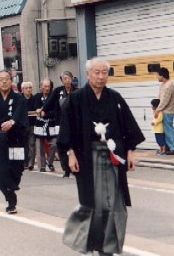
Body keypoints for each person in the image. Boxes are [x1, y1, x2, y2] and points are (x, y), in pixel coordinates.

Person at [58, 57, 145, 255]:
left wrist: (130, 152)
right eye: (96, 73)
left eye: (104, 73)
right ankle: (88, 244)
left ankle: (109, 247)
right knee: (92, 204)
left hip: (113, 158)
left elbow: (128, 128)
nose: (101, 76)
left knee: (115, 205)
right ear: (87, 74)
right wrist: (70, 154)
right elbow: (67, 129)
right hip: (87, 158)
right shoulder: (77, 99)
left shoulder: (115, 98)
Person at [0, 70, 28, 214]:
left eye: (7, 79)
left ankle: (12, 187)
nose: (4, 82)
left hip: (15, 138)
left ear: (11, 81)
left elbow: (20, 112)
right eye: (1, 79)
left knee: (16, 168)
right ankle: (10, 198)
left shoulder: (18, 98)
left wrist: (12, 121)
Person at [42, 71, 77, 177]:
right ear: (62, 80)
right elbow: (49, 102)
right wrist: (43, 110)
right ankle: (66, 169)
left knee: (74, 144)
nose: (66, 80)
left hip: (73, 122)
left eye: (68, 78)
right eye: (64, 78)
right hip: (60, 122)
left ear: (72, 79)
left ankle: (74, 167)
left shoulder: (77, 91)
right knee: (61, 145)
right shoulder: (57, 91)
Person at [32, 78, 56, 172]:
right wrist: (37, 110)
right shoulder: (37, 96)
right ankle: (42, 166)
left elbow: (56, 110)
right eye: (45, 86)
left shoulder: (53, 96)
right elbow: (33, 108)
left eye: (48, 86)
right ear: (41, 87)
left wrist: (46, 113)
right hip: (39, 123)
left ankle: (49, 162)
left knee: (54, 144)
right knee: (39, 146)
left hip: (50, 123)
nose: (47, 88)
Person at [154, 67, 174, 154]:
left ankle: (173, 148)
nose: (157, 77)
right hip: (162, 111)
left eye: (158, 76)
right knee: (164, 130)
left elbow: (166, 100)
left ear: (162, 76)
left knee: (169, 129)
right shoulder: (162, 85)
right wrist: (155, 108)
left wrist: (157, 110)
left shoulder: (170, 84)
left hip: (168, 111)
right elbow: (159, 98)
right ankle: (168, 147)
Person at [21, 81, 37, 171]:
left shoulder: (34, 98)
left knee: (31, 144)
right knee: (24, 144)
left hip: (32, 124)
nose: (28, 90)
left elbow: (36, 110)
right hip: (22, 125)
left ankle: (31, 163)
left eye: (30, 88)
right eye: (26, 88)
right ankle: (24, 162)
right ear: (22, 90)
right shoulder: (19, 99)